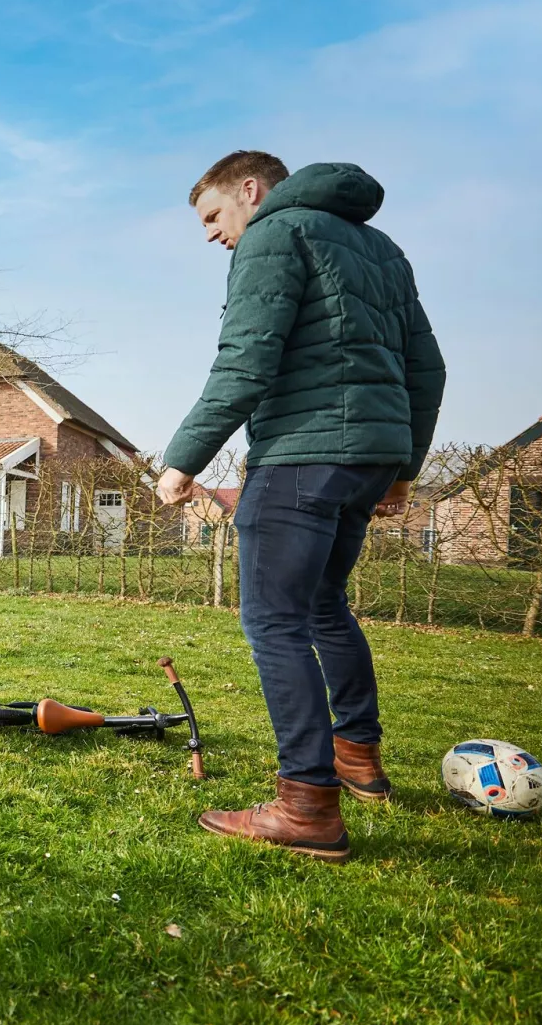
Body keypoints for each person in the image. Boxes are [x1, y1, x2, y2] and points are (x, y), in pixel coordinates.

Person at [157, 151, 446, 862]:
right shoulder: (380, 249)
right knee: (324, 606)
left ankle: (305, 806)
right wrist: (402, 469)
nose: (211, 235)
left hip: (301, 455)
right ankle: (357, 759)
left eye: (214, 215)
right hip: (365, 459)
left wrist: (182, 459)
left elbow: (248, 357)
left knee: (274, 620)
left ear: (250, 192)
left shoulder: (273, 235)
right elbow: (426, 367)